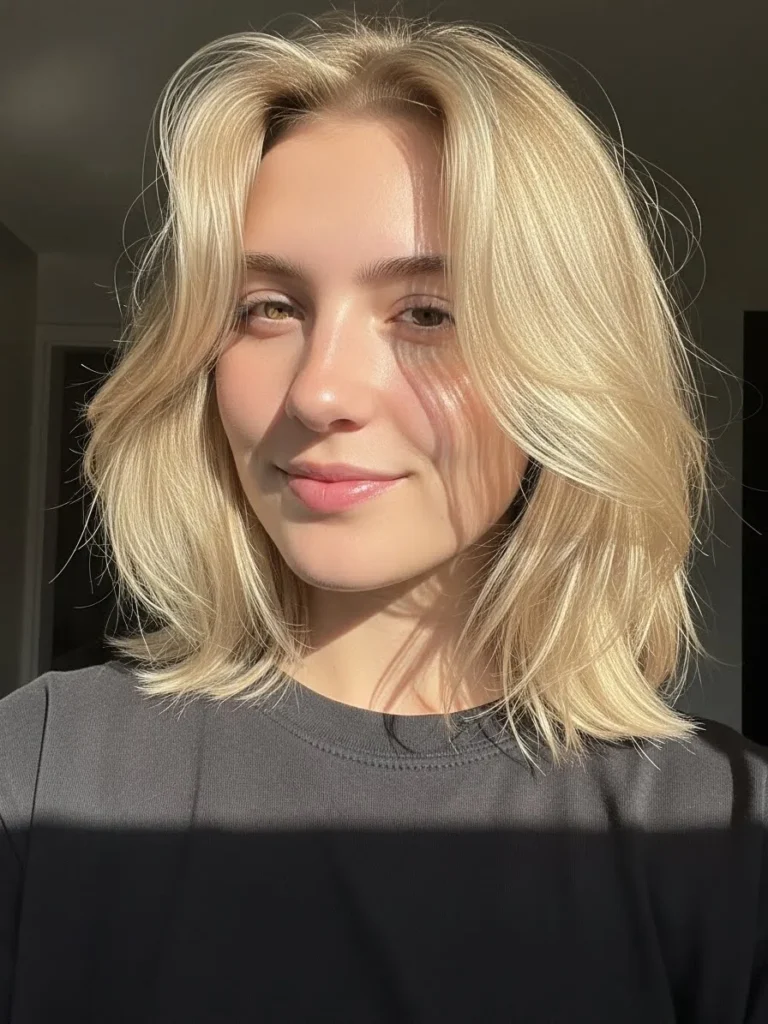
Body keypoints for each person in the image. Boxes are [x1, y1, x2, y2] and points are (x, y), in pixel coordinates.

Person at [1, 10, 766, 1023]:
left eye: (427, 313)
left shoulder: (724, 830)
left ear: (565, 366)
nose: (321, 391)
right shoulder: (40, 767)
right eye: (268, 307)